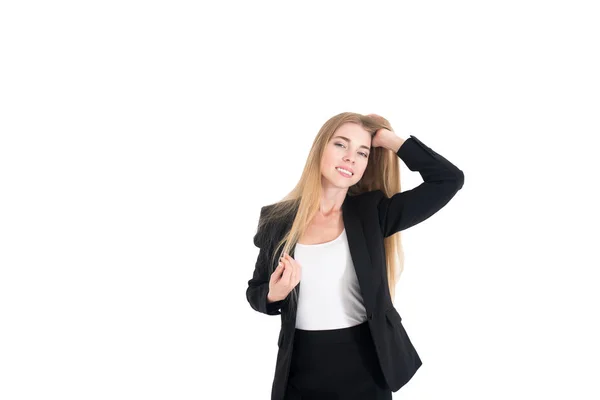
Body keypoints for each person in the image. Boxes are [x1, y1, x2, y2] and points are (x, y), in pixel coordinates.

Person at [247, 112, 464, 400]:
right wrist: (274, 294)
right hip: (300, 368)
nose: (351, 157)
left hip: (366, 367)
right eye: (341, 145)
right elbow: (256, 291)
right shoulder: (277, 220)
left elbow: (448, 180)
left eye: (362, 152)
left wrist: (389, 139)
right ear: (319, 148)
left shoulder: (372, 213)